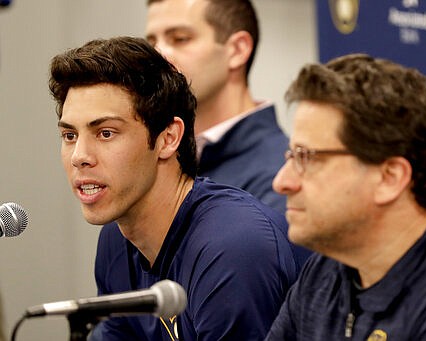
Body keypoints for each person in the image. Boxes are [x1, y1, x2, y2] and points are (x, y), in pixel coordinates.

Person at [48, 36, 305, 341]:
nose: (80, 157)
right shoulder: (116, 241)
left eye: (105, 133)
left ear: (168, 138)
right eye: (69, 135)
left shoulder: (233, 248)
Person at [265, 54, 426, 340]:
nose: (282, 182)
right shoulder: (323, 272)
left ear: (389, 178)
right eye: (291, 155)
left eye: (306, 157)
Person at [145, 0, 288, 213]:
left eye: (180, 39)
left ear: (237, 50)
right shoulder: (158, 154)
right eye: (151, 43)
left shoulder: (281, 176)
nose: (159, 56)